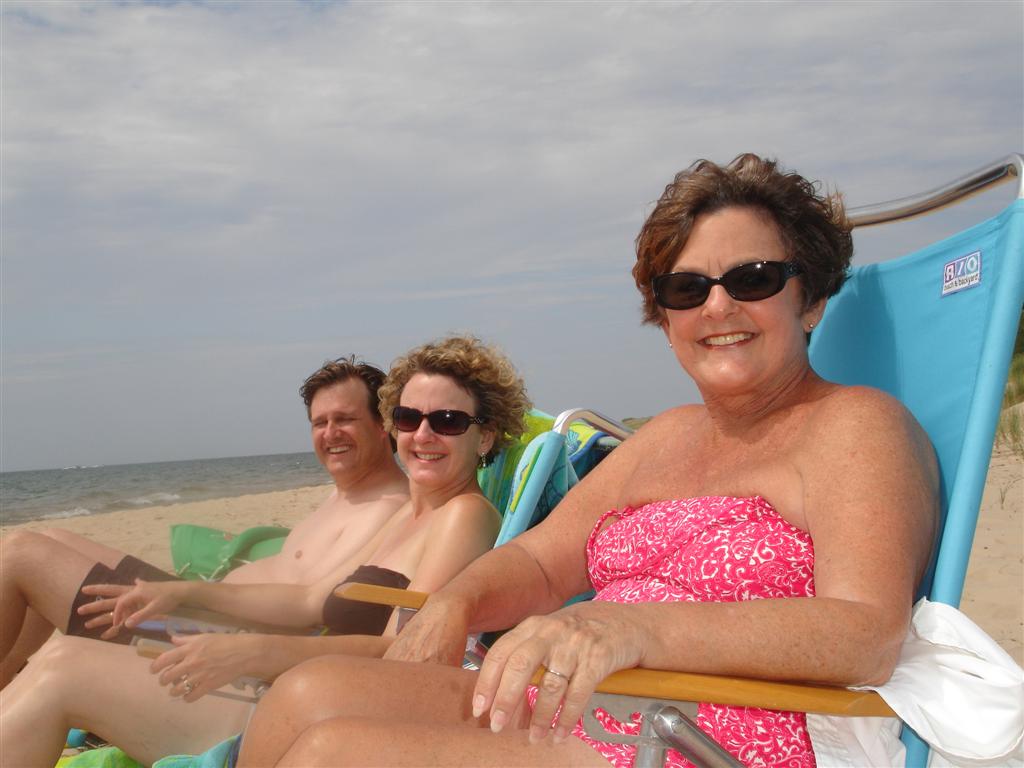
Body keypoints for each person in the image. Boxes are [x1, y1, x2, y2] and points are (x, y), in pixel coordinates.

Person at [235, 155, 940, 768]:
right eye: (687, 288)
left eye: (752, 279)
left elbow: (866, 632)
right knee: (303, 695)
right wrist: (457, 602)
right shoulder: (665, 437)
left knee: (335, 754)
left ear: (810, 299)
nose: (718, 306)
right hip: (583, 706)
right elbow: (541, 563)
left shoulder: (853, 426)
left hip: (711, 734)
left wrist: (630, 628)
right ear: (666, 317)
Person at [0, 334, 531, 767]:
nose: (423, 434)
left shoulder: (464, 515)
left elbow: (408, 653)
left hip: (296, 711)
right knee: (61, 657)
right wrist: (182, 593)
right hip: (279, 685)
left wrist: (254, 652)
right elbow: (307, 601)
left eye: (448, 421)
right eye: (410, 418)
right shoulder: (410, 515)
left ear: (485, 437)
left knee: (62, 668)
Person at [0, 356, 409, 689]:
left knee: (21, 554)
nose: (330, 433)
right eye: (320, 423)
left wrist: (184, 591)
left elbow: (311, 604)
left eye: (344, 419)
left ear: (382, 426)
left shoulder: (389, 507)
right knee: (51, 537)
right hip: (201, 610)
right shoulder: (343, 496)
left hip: (214, 636)